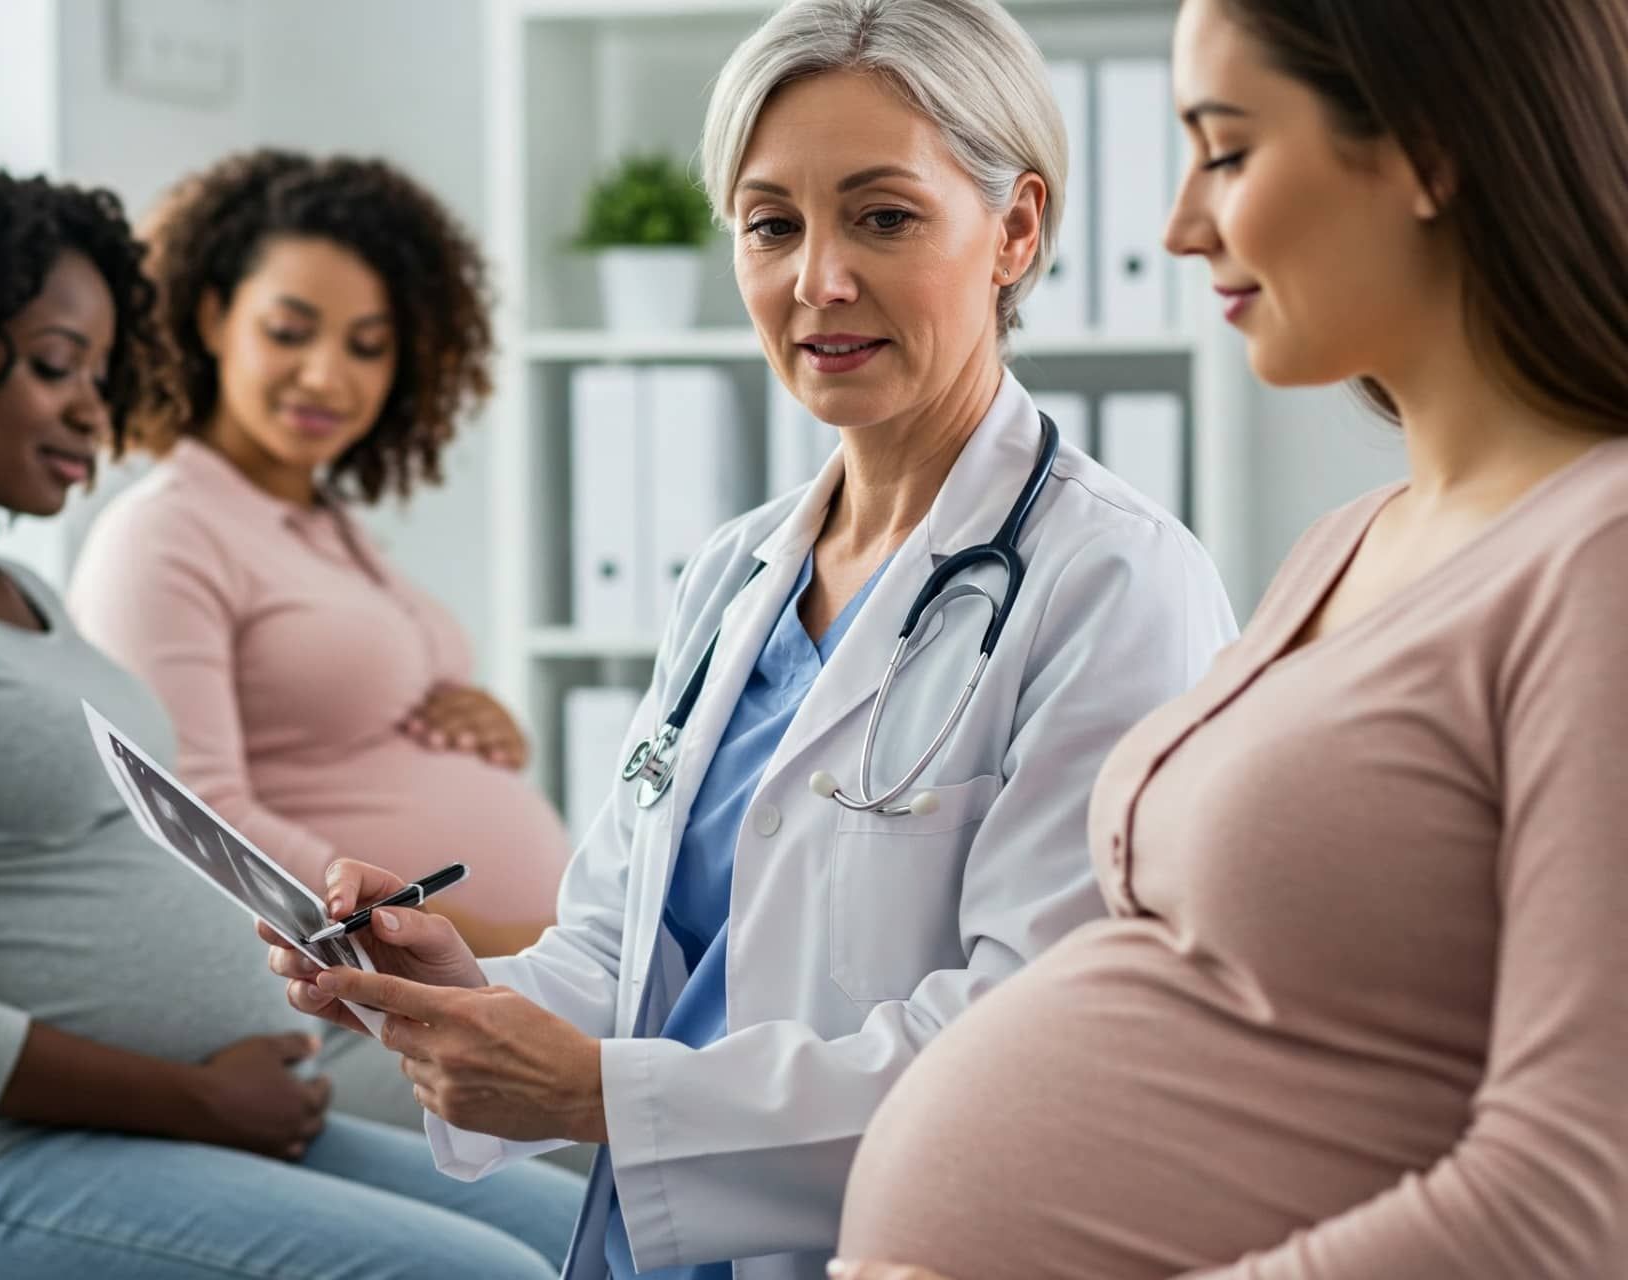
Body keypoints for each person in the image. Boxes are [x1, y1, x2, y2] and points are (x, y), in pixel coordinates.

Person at [264, 2, 1238, 1277]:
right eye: (772, 224)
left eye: (882, 217)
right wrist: (462, 996)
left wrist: (602, 1095)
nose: (817, 280)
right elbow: (629, 951)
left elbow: (1032, 1051)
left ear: (1015, 230)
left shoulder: (1114, 581)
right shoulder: (737, 574)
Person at [832, 0, 1628, 1276]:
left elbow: (1573, 1206)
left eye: (1230, 149)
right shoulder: (1352, 541)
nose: (1179, 225)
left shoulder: (1601, 561)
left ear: (1429, 148)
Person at [0, 148, 581, 1279]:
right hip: (14, 1152)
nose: (94, 406)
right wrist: (188, 1095)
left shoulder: (22, 600)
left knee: (586, 1236)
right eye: (55, 364)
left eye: (101, 369)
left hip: (209, 1113)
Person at [68, 150, 567, 961]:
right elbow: (199, 818)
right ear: (213, 318)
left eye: (368, 346)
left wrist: (484, 726)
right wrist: (466, 942)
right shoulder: (163, 534)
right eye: (289, 332)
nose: (327, 376)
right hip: (369, 978)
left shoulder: (326, 525)